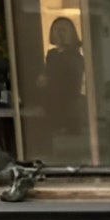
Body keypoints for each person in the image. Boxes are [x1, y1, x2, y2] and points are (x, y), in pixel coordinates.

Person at [39, 15, 86, 146]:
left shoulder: (75, 56)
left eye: (63, 30)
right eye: (56, 30)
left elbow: (73, 82)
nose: (59, 33)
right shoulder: (52, 55)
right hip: (51, 104)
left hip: (67, 106)